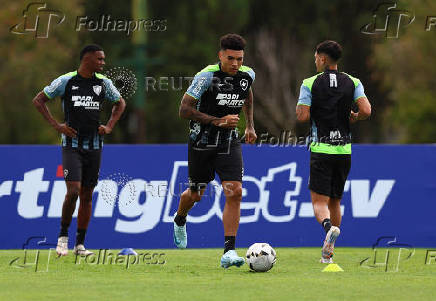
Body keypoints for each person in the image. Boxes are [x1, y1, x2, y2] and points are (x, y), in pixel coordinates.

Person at [32, 44, 126, 256]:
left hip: (94, 147)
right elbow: (38, 100)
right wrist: (57, 125)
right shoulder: (66, 81)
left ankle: (80, 245)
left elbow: (120, 103)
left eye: (103, 59)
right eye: (100, 59)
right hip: (71, 147)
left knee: (86, 195)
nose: (103, 63)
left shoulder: (104, 83)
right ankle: (62, 238)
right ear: (87, 59)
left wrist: (109, 126)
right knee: (73, 191)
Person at [173, 33, 257, 268]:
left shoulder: (247, 75)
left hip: (229, 142)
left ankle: (229, 251)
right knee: (196, 195)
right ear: (220, 55)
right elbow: (184, 110)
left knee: (235, 191)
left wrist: (249, 125)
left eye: (239, 59)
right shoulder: (206, 77)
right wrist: (216, 120)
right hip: (201, 142)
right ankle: (180, 218)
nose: (235, 64)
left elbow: (247, 94)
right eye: (230, 58)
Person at [296, 40, 371, 263]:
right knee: (335, 201)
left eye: (316, 58)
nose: (315, 61)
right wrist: (355, 117)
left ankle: (329, 228)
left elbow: (302, 117)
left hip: (321, 149)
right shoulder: (353, 81)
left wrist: (308, 108)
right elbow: (366, 109)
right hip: (344, 151)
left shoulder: (310, 83)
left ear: (323, 59)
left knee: (319, 203)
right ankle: (330, 251)